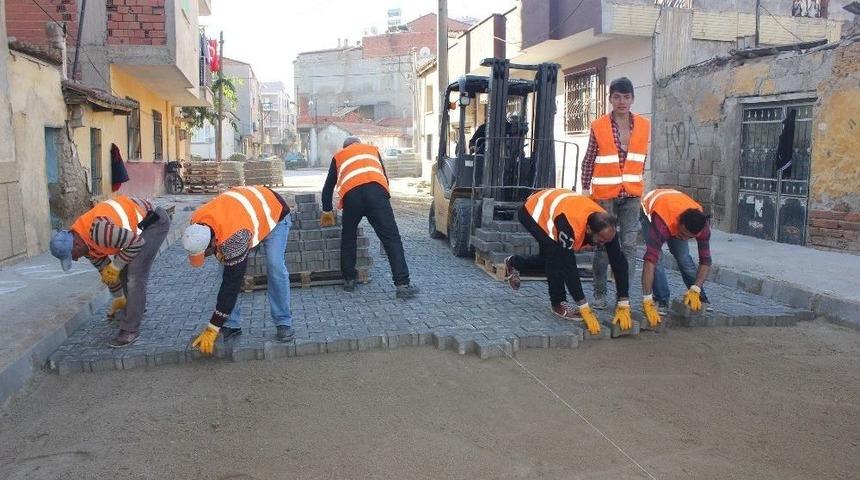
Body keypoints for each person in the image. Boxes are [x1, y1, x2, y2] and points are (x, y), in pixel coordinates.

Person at [503, 188, 632, 335]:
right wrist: (584, 306)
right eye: (601, 240)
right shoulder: (569, 225)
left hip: (559, 206)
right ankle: (558, 303)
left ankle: (513, 262)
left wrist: (623, 302)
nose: (603, 244)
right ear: (589, 229)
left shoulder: (607, 228)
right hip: (532, 210)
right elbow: (569, 266)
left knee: (549, 259)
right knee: (555, 255)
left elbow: (618, 261)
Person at [182, 186, 294, 355]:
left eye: (205, 254)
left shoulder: (235, 237)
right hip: (243, 217)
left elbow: (232, 283)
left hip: (274, 214)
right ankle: (231, 325)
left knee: (275, 267)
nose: (205, 257)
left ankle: (283, 321)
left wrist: (213, 326)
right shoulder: (197, 222)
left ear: (212, 243)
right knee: (223, 271)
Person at [49, 196, 169, 347]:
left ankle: (130, 330)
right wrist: (119, 298)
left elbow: (137, 243)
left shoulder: (100, 231)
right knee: (123, 267)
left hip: (154, 223)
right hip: (135, 234)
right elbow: (108, 273)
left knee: (135, 274)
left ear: (76, 245)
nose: (75, 260)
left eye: (72, 256)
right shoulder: (85, 247)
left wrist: (117, 266)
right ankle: (134, 307)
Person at [581, 77, 649, 310]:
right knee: (603, 245)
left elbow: (641, 159)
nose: (622, 101)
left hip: (631, 195)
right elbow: (589, 159)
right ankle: (599, 294)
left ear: (632, 99)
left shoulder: (643, 125)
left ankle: (624, 295)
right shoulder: (599, 125)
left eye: (626, 97)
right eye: (617, 97)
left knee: (629, 246)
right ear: (610, 99)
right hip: (605, 194)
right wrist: (584, 189)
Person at [320, 136, 418, 299]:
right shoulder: (373, 150)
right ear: (358, 143)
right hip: (376, 193)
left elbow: (328, 187)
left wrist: (327, 210)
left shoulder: (339, 156)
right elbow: (384, 177)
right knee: (392, 239)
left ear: (345, 147)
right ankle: (402, 285)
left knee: (349, 238)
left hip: (352, 197)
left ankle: (349, 280)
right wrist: (384, 212)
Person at [640, 188, 712, 328]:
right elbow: (650, 261)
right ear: (679, 222)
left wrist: (696, 288)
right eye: (682, 233)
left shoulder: (702, 228)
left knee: (683, 257)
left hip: (674, 203)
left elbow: (706, 261)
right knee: (657, 259)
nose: (683, 238)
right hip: (652, 209)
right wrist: (646, 300)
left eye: (689, 237)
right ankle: (661, 300)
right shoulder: (662, 223)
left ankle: (699, 297)